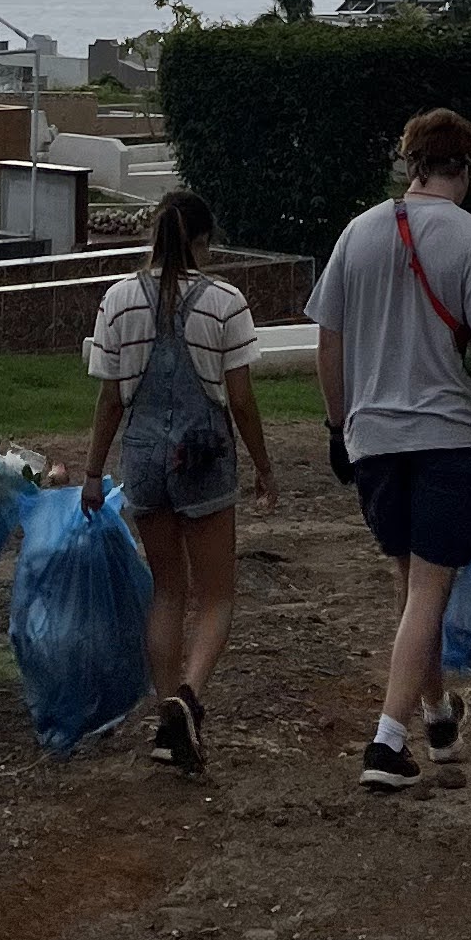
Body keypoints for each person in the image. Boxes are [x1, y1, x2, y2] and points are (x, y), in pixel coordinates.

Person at [309, 106, 471, 794]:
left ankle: (437, 716)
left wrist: (338, 429)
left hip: (375, 438)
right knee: (429, 586)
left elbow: (327, 344)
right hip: (451, 437)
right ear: (467, 167)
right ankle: (387, 743)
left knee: (412, 586)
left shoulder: (359, 232)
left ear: (411, 160)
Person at [78, 189, 276, 776]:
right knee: (217, 596)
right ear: (201, 241)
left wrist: (92, 473)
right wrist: (264, 465)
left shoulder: (116, 300)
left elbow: (110, 398)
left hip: (142, 458)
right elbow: (238, 398)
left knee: (167, 590)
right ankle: (187, 697)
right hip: (204, 456)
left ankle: (167, 724)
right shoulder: (225, 302)